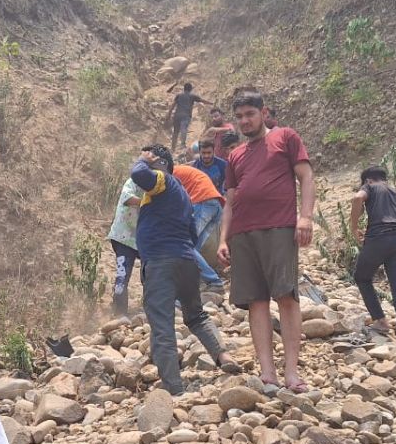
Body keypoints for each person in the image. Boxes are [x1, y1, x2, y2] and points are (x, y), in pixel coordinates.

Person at [217, 90, 314, 393]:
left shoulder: (285, 137)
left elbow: (306, 177)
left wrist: (306, 217)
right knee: (255, 301)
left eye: (250, 114)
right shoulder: (235, 156)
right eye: (240, 117)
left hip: (278, 228)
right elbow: (230, 202)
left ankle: (292, 372)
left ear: (264, 112)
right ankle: (267, 372)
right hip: (242, 234)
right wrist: (223, 239)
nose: (245, 121)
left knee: (286, 296)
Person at [131, 144, 239, 394]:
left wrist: (143, 160)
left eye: (152, 161)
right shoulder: (182, 195)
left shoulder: (162, 179)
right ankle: (223, 357)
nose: (147, 165)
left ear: (161, 164)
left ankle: (174, 389)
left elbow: (139, 175)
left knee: (162, 326)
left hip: (160, 262)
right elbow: (191, 233)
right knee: (196, 316)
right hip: (185, 262)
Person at [349, 166, 396, 341]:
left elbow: (357, 199)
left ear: (368, 180)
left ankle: (381, 321)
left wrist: (354, 228)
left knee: (362, 277)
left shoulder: (369, 187)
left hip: (378, 237)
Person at [171, 163, 226, 292]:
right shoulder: (178, 171)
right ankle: (194, 282)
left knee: (184, 244)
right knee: (191, 248)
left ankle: (213, 281)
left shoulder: (166, 176)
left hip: (202, 201)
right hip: (215, 204)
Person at [106, 177, 143, 315]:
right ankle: (119, 313)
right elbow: (127, 198)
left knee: (151, 273)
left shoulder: (159, 184)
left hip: (143, 240)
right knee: (122, 276)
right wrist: (148, 201)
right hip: (123, 238)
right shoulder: (133, 181)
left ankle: (150, 306)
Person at [167, 83, 213, 153]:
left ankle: (173, 148)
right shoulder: (192, 96)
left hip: (177, 115)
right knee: (184, 128)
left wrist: (169, 114)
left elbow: (172, 106)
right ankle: (182, 144)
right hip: (186, 115)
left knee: (175, 132)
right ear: (191, 89)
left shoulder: (179, 95)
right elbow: (202, 100)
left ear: (184, 88)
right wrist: (211, 103)